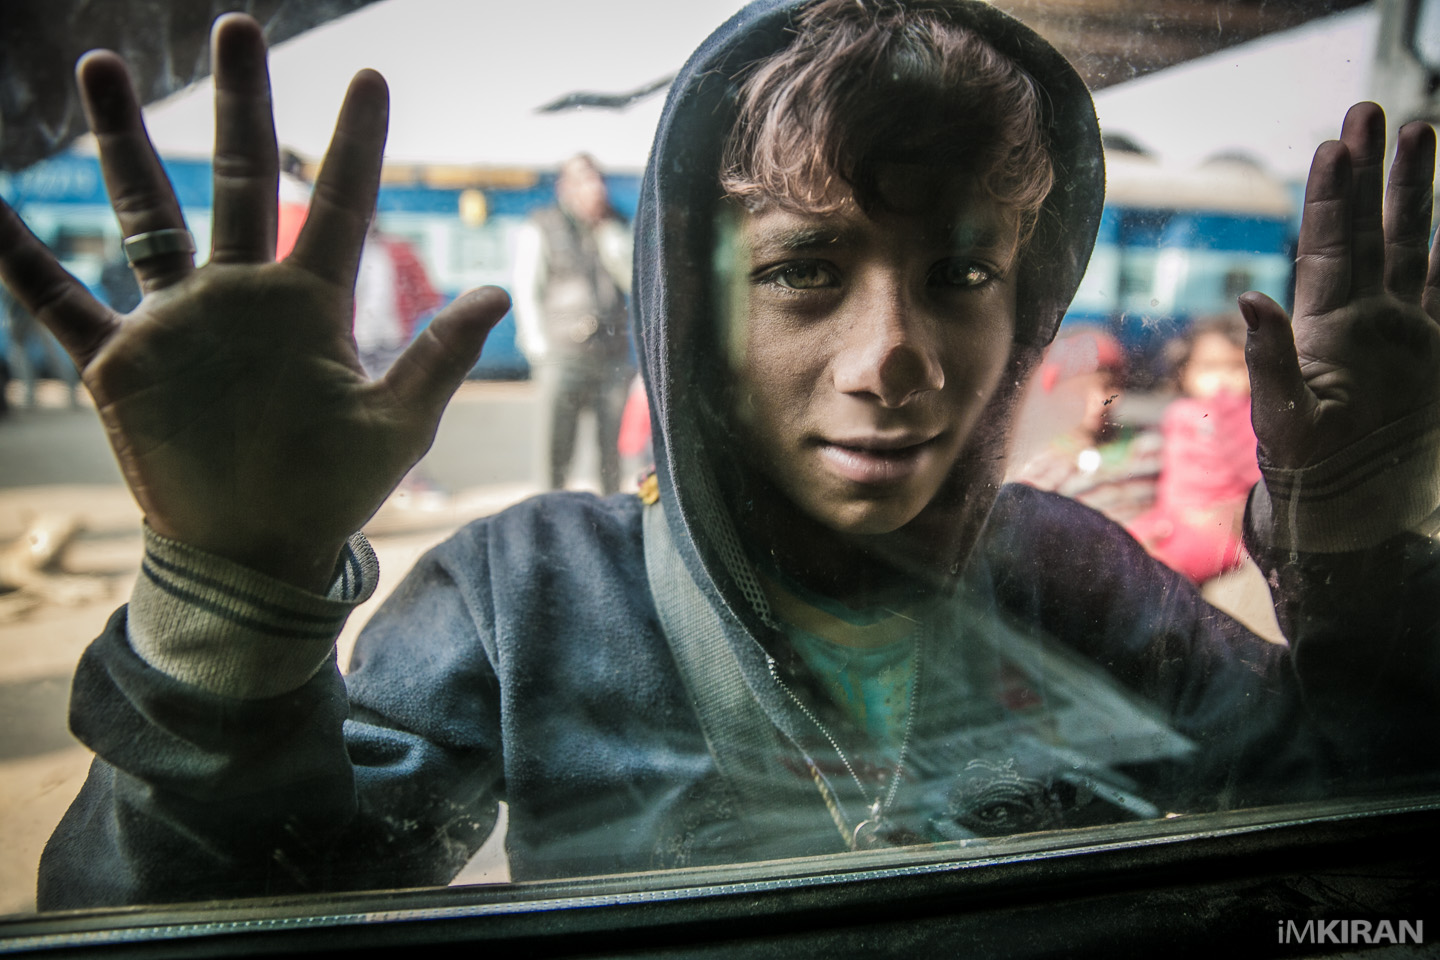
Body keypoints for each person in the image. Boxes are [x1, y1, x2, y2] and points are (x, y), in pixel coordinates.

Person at [0, 0, 1435, 909]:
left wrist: (1357, 554)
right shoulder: (522, 598)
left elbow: (1365, 857)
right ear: (693, 313)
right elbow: (233, 914)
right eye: (805, 270)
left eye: (962, 275)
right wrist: (232, 598)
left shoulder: (1078, 576)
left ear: (1028, 313)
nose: (894, 359)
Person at [512, 154, 634, 494]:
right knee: (555, 448)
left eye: (597, 180)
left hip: (611, 353)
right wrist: (538, 348)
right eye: (583, 180)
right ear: (564, 188)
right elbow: (526, 287)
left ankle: (611, 512)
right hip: (562, 353)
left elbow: (631, 281)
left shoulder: (617, 223)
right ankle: (551, 511)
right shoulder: (542, 224)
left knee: (611, 451)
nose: (594, 188)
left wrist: (609, 236)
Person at [1127, 314, 1261, 583]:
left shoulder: (1249, 418)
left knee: (1168, 568)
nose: (1222, 380)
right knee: (1125, 541)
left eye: (1236, 368)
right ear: (1185, 372)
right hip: (1170, 517)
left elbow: (1254, 471)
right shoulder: (1179, 411)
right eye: (1209, 368)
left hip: (1218, 528)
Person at [1008, 326, 1161, 524]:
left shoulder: (1151, 447)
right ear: (1055, 392)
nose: (1099, 401)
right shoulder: (1038, 470)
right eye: (1081, 389)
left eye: (1108, 386)